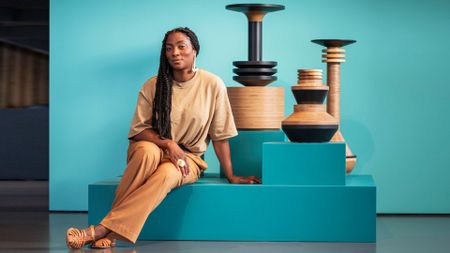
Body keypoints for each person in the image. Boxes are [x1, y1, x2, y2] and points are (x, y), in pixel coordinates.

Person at [65, 27, 261, 249]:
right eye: (169, 48)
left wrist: (231, 174)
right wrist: (168, 143)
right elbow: (138, 130)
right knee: (146, 153)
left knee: (167, 175)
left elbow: (220, 136)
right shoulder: (153, 85)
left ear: (195, 50)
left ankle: (100, 230)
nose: (175, 53)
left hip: (188, 158)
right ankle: (110, 232)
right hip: (153, 147)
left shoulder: (212, 84)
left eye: (181, 46)